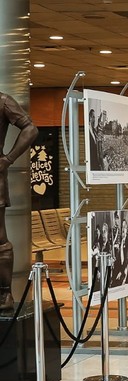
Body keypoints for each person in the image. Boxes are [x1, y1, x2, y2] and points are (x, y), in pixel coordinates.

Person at [0, 92, 38, 312]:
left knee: (0, 239)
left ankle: (4, 293)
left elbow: (30, 129)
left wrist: (8, 159)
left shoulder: (3, 101)